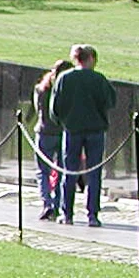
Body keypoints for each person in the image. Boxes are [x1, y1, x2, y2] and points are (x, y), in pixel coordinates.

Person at [51, 43, 117, 226]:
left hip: (72, 130)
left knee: (69, 172)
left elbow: (55, 107)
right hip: (95, 130)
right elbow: (110, 101)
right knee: (94, 173)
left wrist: (63, 122)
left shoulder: (64, 78)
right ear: (91, 59)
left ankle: (67, 213)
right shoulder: (99, 79)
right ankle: (92, 214)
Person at [32, 59, 71, 221]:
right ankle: (57, 204)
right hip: (62, 133)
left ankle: (46, 202)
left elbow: (37, 109)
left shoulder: (41, 89)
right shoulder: (67, 90)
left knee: (43, 171)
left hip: (44, 131)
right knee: (62, 171)